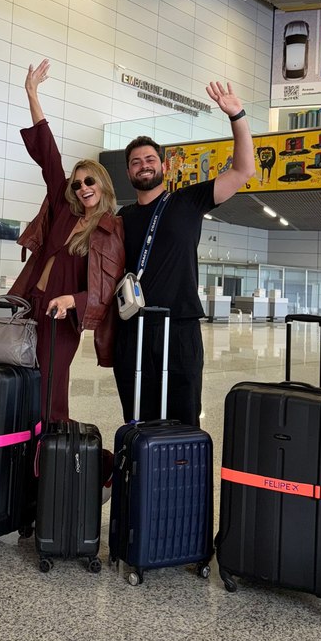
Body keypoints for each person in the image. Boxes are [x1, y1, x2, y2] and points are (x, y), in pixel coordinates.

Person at [113, 81, 256, 425]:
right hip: (133, 327)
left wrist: (237, 115)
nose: (143, 165)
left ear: (163, 166)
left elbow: (243, 170)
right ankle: (140, 473)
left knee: (182, 413)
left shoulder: (188, 201)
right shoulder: (122, 218)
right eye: (135, 162)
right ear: (129, 172)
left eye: (150, 159)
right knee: (136, 414)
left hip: (179, 326)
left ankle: (180, 475)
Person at [8, 59, 127, 422]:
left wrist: (72, 300)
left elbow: (105, 290)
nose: (82, 188)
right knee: (21, 381)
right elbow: (49, 156)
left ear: (104, 185)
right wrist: (32, 93)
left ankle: (59, 458)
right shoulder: (66, 211)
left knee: (50, 388)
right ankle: (23, 450)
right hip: (30, 304)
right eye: (77, 183)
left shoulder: (111, 229)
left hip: (61, 316)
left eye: (89, 181)